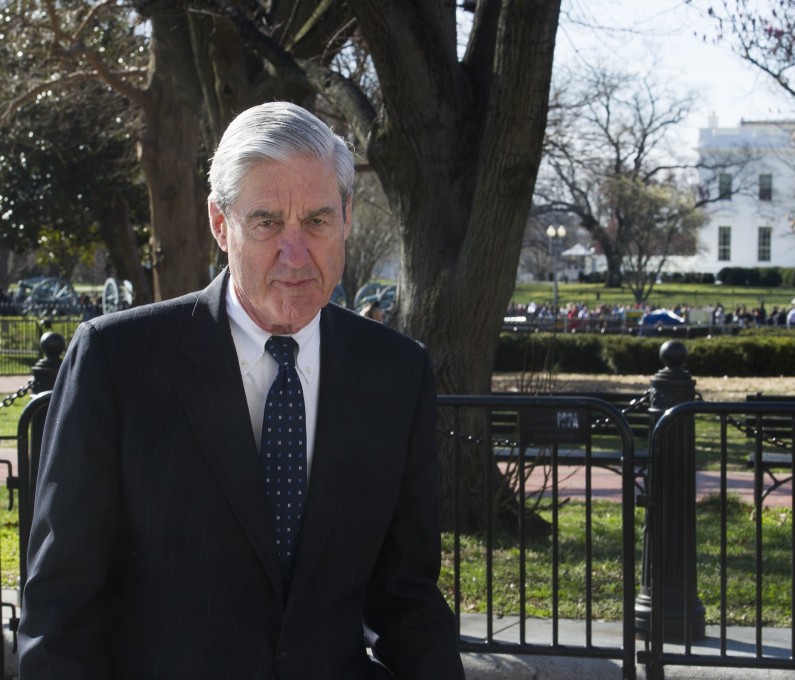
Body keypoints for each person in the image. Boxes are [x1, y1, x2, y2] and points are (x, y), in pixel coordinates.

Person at [19, 102, 465, 679]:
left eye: (317, 221)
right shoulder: (117, 361)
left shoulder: (397, 373)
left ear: (348, 216)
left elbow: (407, 598)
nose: (295, 253)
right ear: (219, 222)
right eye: (268, 222)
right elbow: (61, 607)